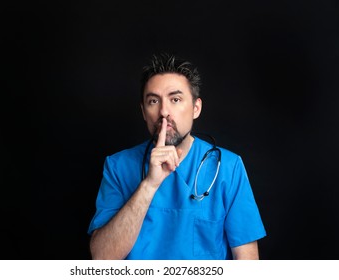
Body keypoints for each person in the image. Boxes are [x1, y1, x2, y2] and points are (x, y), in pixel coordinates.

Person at [87, 53, 266, 260]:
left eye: (175, 99)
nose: (164, 111)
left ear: (196, 108)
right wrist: (149, 185)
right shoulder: (118, 167)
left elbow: (248, 262)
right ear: (144, 112)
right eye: (153, 101)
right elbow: (102, 258)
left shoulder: (228, 167)